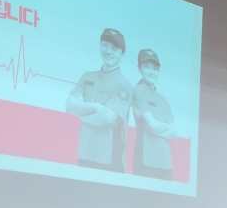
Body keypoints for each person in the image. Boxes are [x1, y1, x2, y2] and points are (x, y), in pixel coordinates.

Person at [66, 28, 134, 172]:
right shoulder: (87, 77)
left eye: (114, 48)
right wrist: (96, 107)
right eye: (105, 45)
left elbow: (105, 117)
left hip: (110, 160)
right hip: (85, 155)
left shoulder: (124, 85)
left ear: (123, 53)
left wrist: (81, 110)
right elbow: (69, 105)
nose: (108, 51)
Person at [131, 48, 177, 180]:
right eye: (146, 67)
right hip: (145, 162)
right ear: (139, 68)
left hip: (166, 164)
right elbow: (153, 124)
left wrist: (155, 128)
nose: (151, 72)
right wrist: (162, 127)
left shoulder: (163, 99)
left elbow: (174, 132)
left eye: (155, 68)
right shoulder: (138, 91)